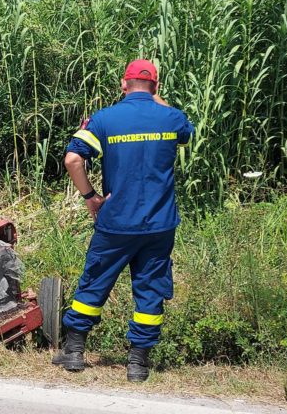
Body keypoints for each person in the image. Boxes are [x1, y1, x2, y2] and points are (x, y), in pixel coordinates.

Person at [51, 60, 194, 382]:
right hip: (159, 224)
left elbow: (73, 159)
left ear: (122, 84)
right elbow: (186, 132)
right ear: (156, 86)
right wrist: (157, 100)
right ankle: (137, 364)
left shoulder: (105, 119)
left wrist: (91, 198)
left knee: (95, 281)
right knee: (150, 290)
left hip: (116, 222)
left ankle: (74, 352)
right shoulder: (171, 117)